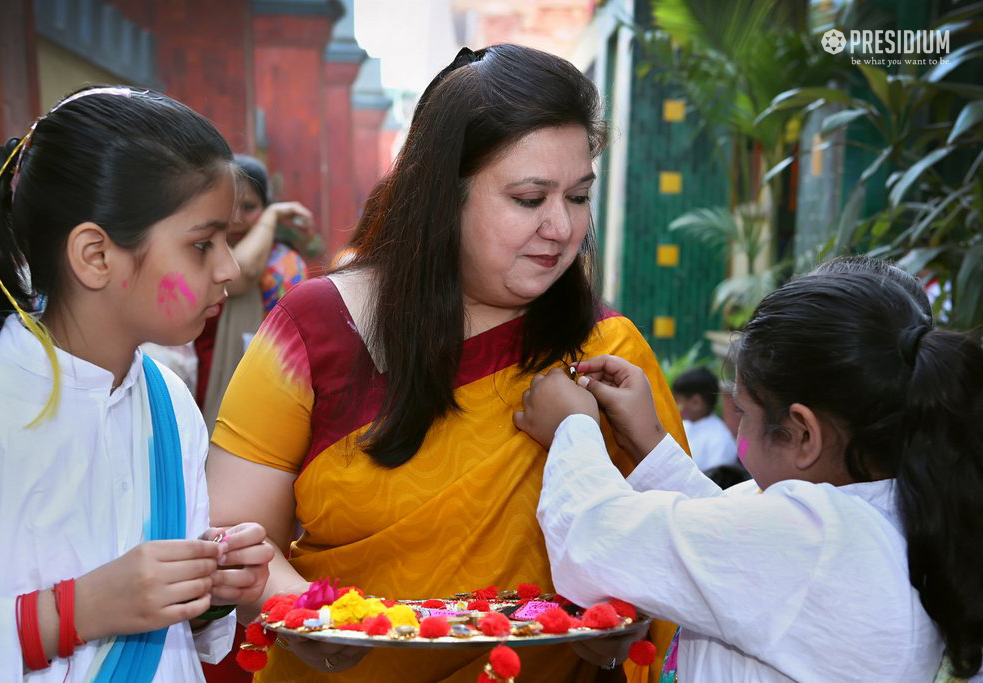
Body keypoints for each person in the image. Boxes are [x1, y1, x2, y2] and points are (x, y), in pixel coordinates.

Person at [206, 44, 688, 682]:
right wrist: (293, 609)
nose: (561, 228)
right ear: (443, 196)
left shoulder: (607, 351)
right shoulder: (312, 329)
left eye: (577, 197)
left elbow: (676, 547)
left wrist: (618, 622)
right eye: (527, 197)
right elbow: (235, 533)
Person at [516, 268, 983, 681]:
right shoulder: (889, 514)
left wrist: (570, 427)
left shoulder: (816, 544)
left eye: (743, 410)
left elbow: (593, 541)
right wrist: (648, 439)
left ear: (803, 434)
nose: (736, 424)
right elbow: (729, 533)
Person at [0, 86, 275, 682]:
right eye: (202, 244)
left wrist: (211, 588)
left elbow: (178, 634)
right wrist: (76, 612)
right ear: (96, 255)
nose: (230, 267)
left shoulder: (169, 402)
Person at [194, 154, 312, 432]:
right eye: (229, 206)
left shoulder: (286, 264)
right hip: (200, 383)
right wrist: (270, 216)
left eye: (249, 207)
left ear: (265, 205)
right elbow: (243, 271)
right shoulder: (200, 250)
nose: (236, 218)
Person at [671, 367, 737, 471]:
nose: (674, 406)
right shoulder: (683, 426)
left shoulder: (719, 440)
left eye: (677, 401)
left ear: (696, 402)